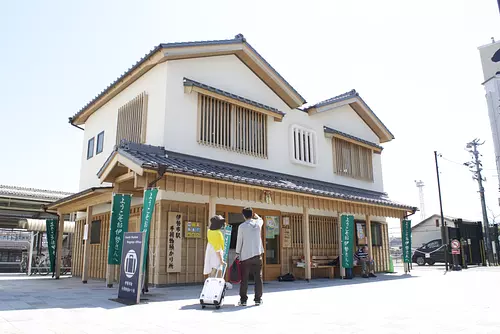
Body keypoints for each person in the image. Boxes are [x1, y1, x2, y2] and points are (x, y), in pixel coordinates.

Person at [235, 207, 264, 306]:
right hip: (257, 254)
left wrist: (237, 253)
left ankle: (243, 300)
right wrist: (256, 216)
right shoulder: (258, 224)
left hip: (245, 255)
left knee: (244, 278)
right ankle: (258, 299)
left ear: (243, 216)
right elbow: (261, 219)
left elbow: (239, 241)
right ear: (252, 214)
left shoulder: (242, 226)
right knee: (258, 278)